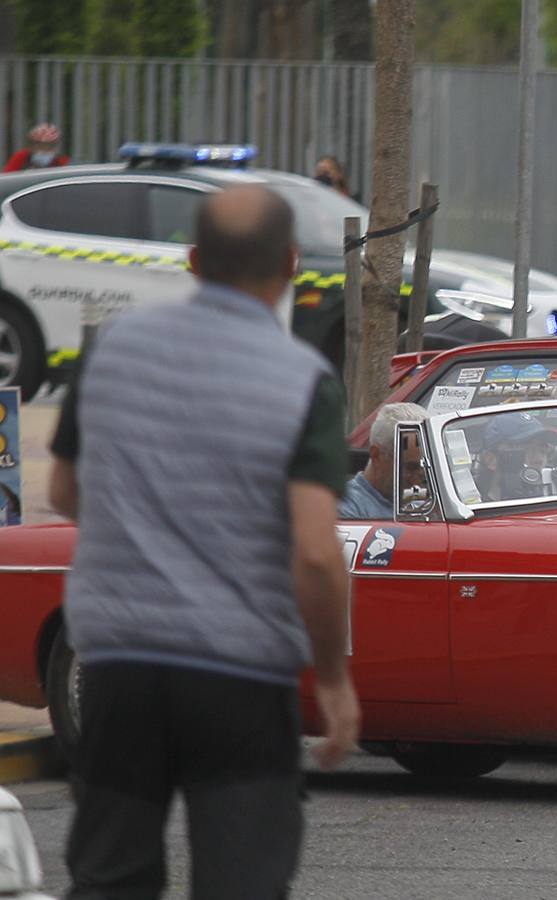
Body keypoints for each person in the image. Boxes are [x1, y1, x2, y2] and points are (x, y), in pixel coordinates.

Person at [47, 184, 358, 896]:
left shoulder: (114, 351)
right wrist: (335, 683)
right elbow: (314, 554)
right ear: (288, 264)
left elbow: (65, 492)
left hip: (120, 670)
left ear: (192, 260)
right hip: (241, 681)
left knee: (109, 880)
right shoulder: (305, 381)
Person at [340, 402, 430, 520]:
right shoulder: (347, 509)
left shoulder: (421, 503)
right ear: (376, 456)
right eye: (411, 468)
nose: (419, 480)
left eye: (427, 468)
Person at [3, 123, 68, 172]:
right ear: (32, 145)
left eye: (49, 146)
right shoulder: (21, 157)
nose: (44, 149)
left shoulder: (62, 161)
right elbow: (8, 177)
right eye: (39, 145)